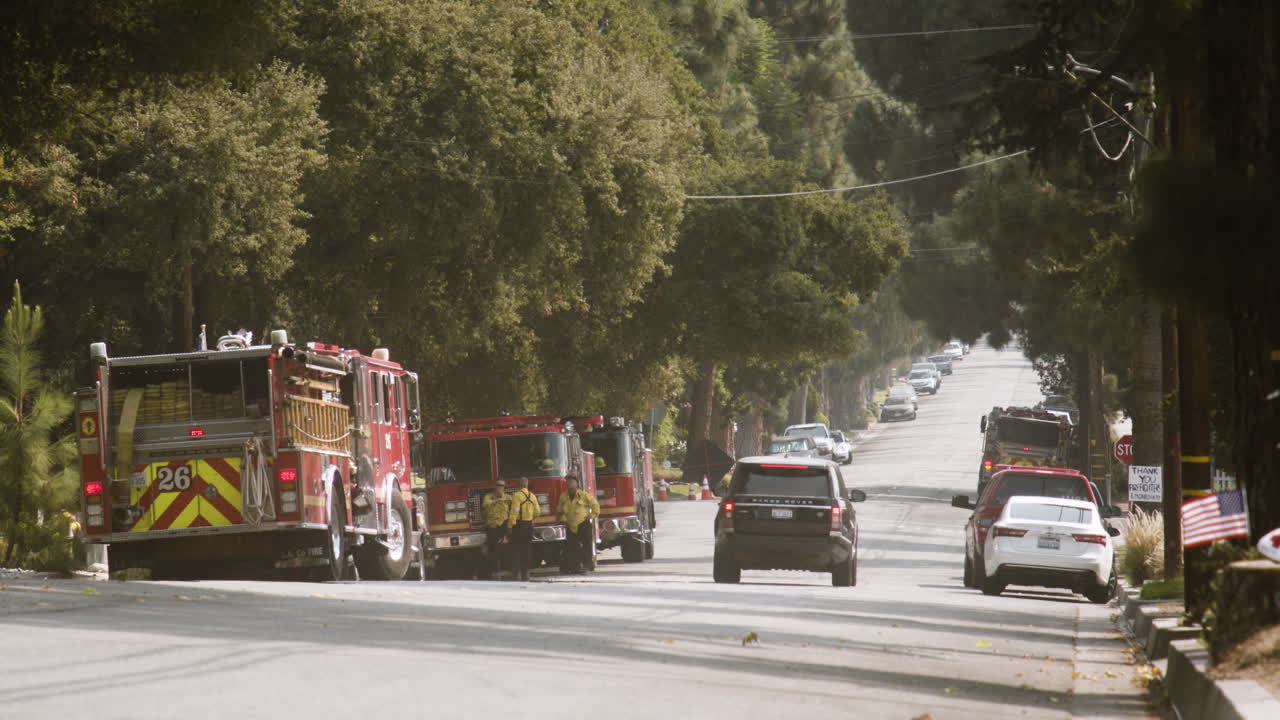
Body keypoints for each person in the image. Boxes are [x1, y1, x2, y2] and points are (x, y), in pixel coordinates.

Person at [556, 475, 599, 574]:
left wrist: (592, 515)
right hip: (571, 525)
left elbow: (595, 505)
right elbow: (560, 509)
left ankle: (587, 565)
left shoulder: (584, 495)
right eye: (567, 481)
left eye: (571, 481)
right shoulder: (563, 496)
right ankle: (575, 566)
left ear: (576, 483)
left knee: (586, 545)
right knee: (572, 546)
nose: (568, 483)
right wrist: (558, 519)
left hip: (583, 524)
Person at [508, 477, 541, 581]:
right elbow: (538, 512)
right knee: (526, 549)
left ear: (519, 485)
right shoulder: (533, 496)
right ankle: (526, 573)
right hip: (529, 525)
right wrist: (531, 519)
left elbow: (514, 512)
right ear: (526, 485)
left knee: (516, 549)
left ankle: (516, 573)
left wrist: (510, 525)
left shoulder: (516, 496)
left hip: (518, 525)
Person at [481, 479, 513, 579]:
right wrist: (497, 501)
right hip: (492, 526)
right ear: (495, 486)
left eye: (502, 485)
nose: (500, 487)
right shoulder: (488, 497)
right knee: (493, 550)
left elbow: (515, 506)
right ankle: (495, 571)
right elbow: (485, 504)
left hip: (504, 526)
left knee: (508, 548)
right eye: (498, 485)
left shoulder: (508, 497)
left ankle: (509, 569)